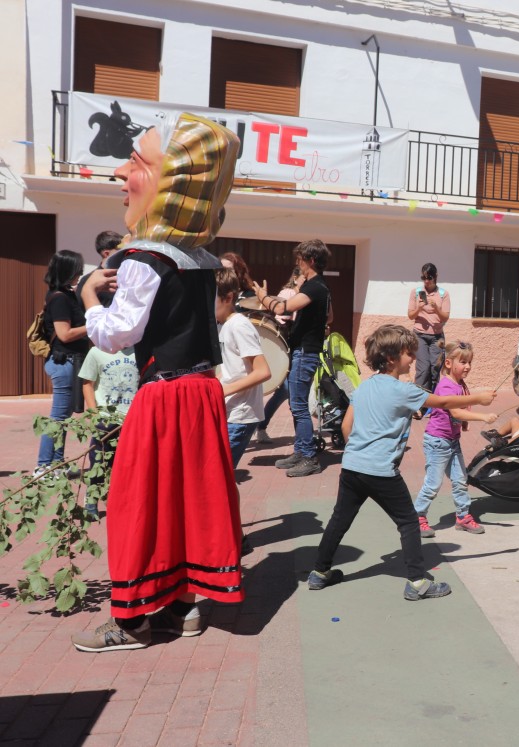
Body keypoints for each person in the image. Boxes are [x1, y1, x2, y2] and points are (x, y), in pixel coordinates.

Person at [72, 113, 242, 652]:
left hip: (164, 395)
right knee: (191, 502)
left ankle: (132, 623)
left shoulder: (142, 259)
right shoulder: (199, 259)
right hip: (202, 393)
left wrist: (88, 296)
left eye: (138, 163)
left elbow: (116, 336)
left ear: (170, 183)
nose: (123, 172)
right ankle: (185, 609)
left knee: (137, 505)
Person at [307, 324, 496, 598]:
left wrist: (362, 451)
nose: (413, 359)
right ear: (393, 357)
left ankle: (319, 573)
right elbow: (442, 403)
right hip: (381, 472)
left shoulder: (363, 388)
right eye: (409, 354)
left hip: (352, 468)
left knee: (340, 519)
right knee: (408, 522)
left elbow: (347, 428)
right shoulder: (405, 390)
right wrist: (478, 397)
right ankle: (418, 584)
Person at [253, 240, 332, 478]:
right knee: (296, 405)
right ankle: (300, 451)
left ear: (310, 260)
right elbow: (330, 317)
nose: (297, 264)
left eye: (299, 259)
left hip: (305, 353)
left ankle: (308, 457)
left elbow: (281, 309)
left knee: (299, 407)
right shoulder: (319, 287)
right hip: (305, 351)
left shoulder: (316, 287)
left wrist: (263, 296)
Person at [414, 340, 498, 537]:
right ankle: (417, 517)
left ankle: (462, 517)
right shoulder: (446, 386)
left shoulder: (460, 384)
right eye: (463, 362)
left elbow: (460, 412)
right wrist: (483, 417)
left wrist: (464, 423)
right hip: (437, 442)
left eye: (469, 362)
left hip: (452, 441)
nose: (467, 366)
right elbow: (456, 413)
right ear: (449, 363)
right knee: (433, 484)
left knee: (460, 480)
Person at [37, 250, 90, 470]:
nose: (80, 272)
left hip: (69, 361)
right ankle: (43, 466)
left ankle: (57, 463)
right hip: (63, 362)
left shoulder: (65, 294)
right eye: (77, 269)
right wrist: (93, 327)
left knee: (64, 418)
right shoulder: (59, 298)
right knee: (58, 417)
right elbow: (64, 334)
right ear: (68, 271)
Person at [215, 268, 271, 468]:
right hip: (230, 411)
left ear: (228, 297)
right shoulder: (225, 325)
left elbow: (263, 371)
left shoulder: (239, 326)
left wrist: (223, 390)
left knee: (221, 476)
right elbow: (234, 368)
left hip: (240, 415)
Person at [78, 337, 138, 520]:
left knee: (130, 464)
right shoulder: (96, 352)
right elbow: (87, 383)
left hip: (132, 418)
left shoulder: (139, 350)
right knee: (99, 461)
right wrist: (94, 413)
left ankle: (124, 503)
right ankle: (91, 500)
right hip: (105, 419)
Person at [256, 267, 302, 443]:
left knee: (287, 391)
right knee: (285, 391)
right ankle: (260, 426)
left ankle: (260, 426)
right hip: (285, 344)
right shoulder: (287, 292)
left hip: (296, 345)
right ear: (296, 277)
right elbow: (279, 314)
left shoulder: (307, 295)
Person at [407, 263, 450, 392]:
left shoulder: (443, 294)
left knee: (435, 368)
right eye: (423, 277)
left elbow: (445, 317)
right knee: (423, 368)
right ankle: (419, 401)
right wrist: (419, 308)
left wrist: (436, 308)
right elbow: (410, 315)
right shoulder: (416, 292)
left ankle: (433, 399)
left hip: (437, 337)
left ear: (436, 276)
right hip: (419, 335)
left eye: (429, 277)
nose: (426, 281)